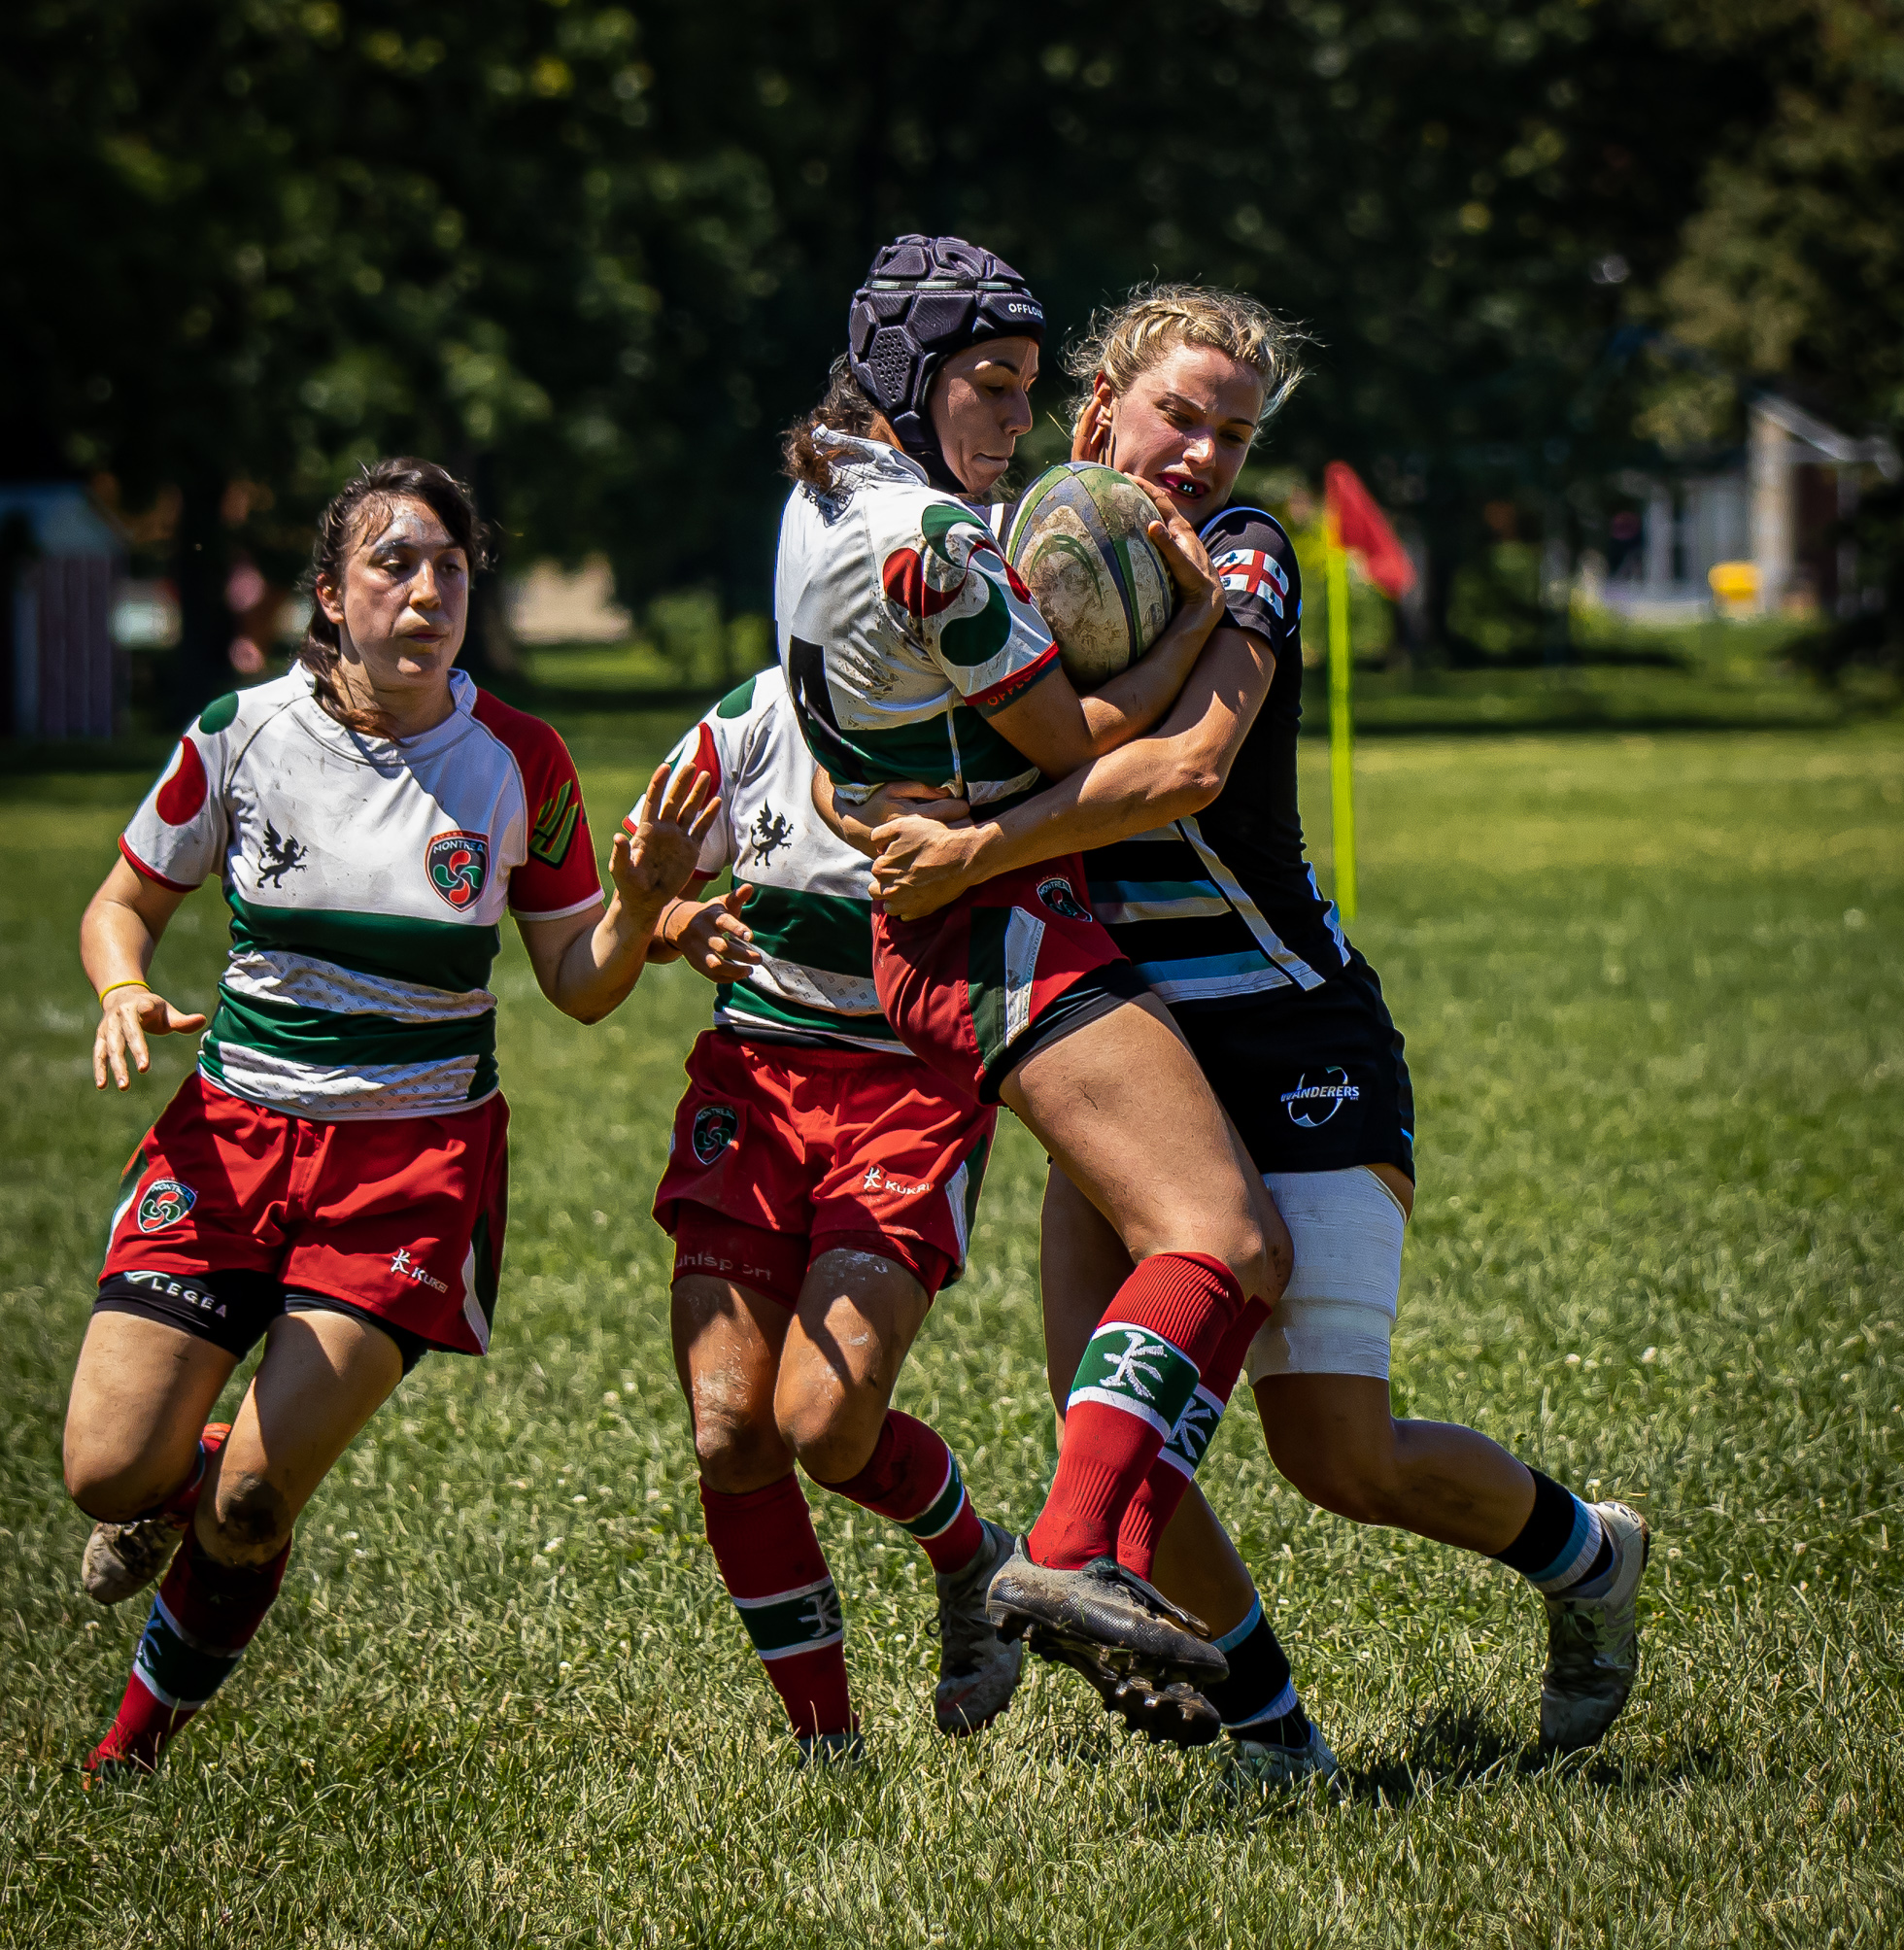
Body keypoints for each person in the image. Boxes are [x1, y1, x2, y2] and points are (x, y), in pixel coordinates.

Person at [862, 284, 1653, 1769]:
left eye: (1234, 429)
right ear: (1099, 401)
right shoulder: (1009, 566)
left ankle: (1588, 1558)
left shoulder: (1246, 554)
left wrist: (974, 853)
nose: (1206, 451)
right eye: (1181, 414)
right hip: (1128, 1038)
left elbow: (1192, 764)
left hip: (1296, 1041)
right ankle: (1275, 1740)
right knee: (1106, 1405)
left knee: (1338, 1458)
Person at [65, 458, 716, 1776]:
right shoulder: (237, 734)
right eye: (394, 565)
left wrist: (641, 908)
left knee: (251, 1503)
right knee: (105, 1478)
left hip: (411, 1164)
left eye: (452, 569)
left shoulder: (519, 761)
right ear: (330, 593)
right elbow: (120, 904)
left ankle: (125, 1756)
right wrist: (123, 985)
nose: (428, 593)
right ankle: (182, 1462)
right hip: (233, 1136)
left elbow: (580, 987)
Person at [785, 234, 1295, 1730]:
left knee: (1171, 1291)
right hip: (994, 923)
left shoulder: (849, 500)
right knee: (1228, 1238)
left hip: (986, 910)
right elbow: (1091, 745)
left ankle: (1119, 1587)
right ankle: (1070, 1558)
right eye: (987, 388)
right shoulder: (934, 541)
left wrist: (878, 803)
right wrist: (1196, 615)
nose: (1005, 420)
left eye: (1021, 388)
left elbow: (839, 727)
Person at [631, 664, 1022, 1758]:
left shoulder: (989, 714)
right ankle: (828, 1743)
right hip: (754, 1082)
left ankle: (970, 1554)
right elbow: (644, 886)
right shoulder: (747, 721)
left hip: (912, 1084)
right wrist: (675, 917)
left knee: (825, 1421)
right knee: (730, 1430)